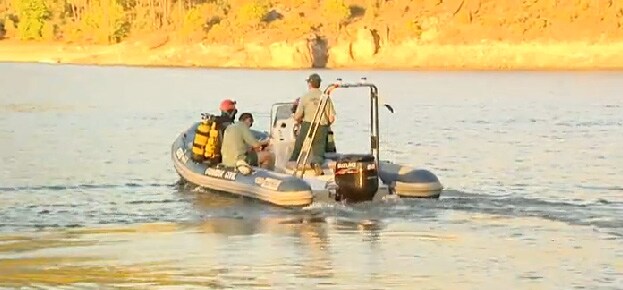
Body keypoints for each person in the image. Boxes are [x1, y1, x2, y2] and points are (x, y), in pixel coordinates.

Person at [289, 73, 336, 172]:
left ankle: (292, 161)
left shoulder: (305, 97)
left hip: (307, 124)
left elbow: (297, 116)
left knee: (299, 143)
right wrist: (325, 126)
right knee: (319, 152)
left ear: (310, 84)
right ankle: (316, 163)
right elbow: (331, 118)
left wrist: (297, 120)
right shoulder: (325, 97)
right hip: (321, 125)